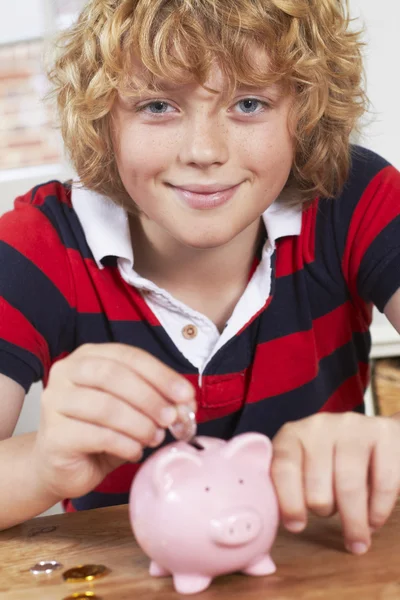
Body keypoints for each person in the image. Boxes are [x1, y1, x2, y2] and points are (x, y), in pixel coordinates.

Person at [0, 0, 399, 558]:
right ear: (102, 119)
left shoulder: (352, 197)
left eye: (250, 102)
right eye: (158, 105)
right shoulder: (35, 246)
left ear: (305, 112)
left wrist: (391, 443)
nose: (204, 152)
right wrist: (42, 465)